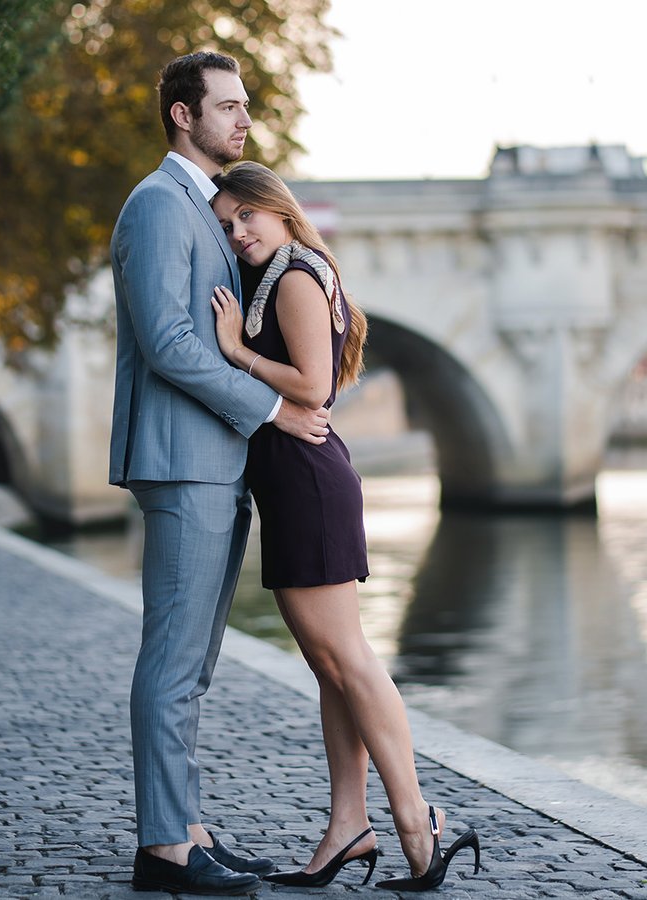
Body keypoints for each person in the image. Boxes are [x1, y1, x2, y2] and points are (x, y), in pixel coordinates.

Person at [208, 161, 483, 891]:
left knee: (350, 661)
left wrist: (236, 352)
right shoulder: (285, 273)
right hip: (298, 483)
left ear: (278, 208)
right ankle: (348, 827)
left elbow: (312, 385)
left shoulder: (296, 275)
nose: (238, 234)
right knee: (333, 666)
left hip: (307, 484)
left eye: (246, 216)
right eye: (227, 226)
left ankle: (416, 821)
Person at [108, 52, 333, 896]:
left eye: (244, 106)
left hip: (214, 461)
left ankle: (187, 827)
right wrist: (272, 408)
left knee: (194, 665)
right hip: (183, 461)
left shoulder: (207, 209)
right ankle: (165, 848)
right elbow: (168, 342)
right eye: (229, 106)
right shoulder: (158, 204)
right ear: (182, 114)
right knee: (172, 661)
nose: (244, 119)